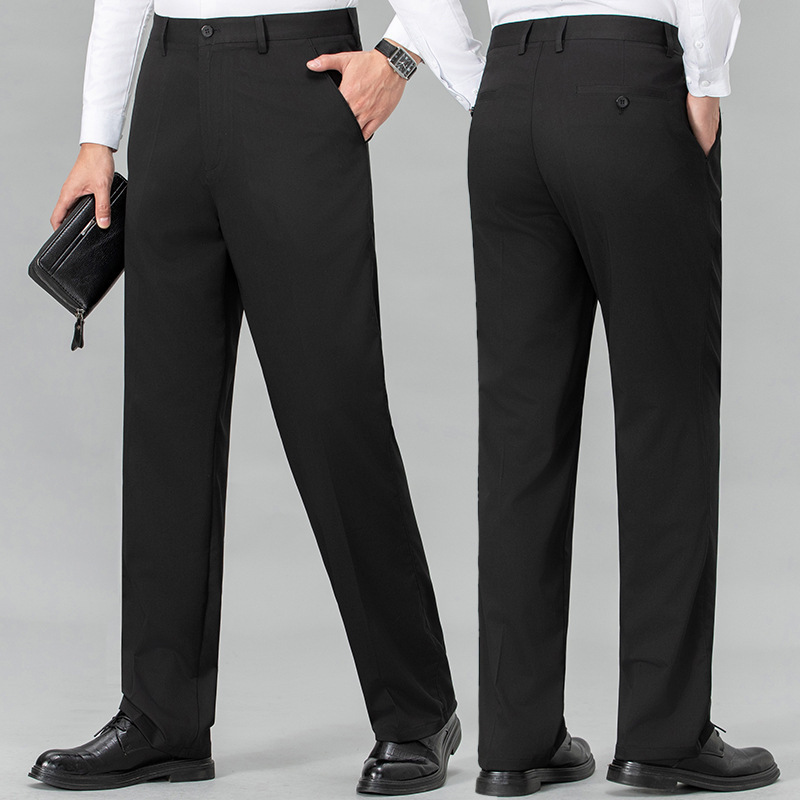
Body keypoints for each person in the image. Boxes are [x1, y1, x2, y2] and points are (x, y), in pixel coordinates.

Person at [27, 0, 482, 793]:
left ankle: (418, 710)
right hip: (172, 87)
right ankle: (162, 718)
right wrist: (97, 138)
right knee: (166, 420)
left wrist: (403, 54)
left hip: (296, 84)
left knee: (333, 410)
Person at [368, 0, 781, 795]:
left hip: (510, 101)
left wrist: (487, 86)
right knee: (667, 419)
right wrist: (705, 80)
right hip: (631, 83)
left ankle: (517, 743)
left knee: (519, 436)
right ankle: (664, 736)